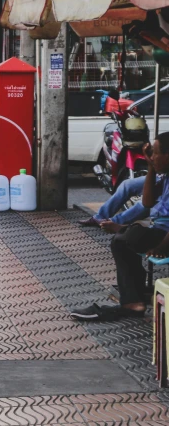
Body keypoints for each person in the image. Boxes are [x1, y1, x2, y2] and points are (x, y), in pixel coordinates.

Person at [72, 133, 169, 322]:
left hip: (164, 237)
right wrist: (151, 167)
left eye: (155, 153)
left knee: (127, 238)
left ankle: (133, 301)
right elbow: (148, 202)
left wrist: (160, 248)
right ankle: (134, 299)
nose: (152, 156)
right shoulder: (165, 177)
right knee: (124, 240)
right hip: (160, 230)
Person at [78, 176, 148, 230]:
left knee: (146, 203)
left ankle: (112, 222)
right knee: (127, 185)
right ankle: (100, 217)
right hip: (157, 175)